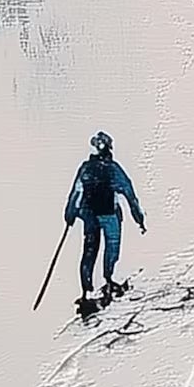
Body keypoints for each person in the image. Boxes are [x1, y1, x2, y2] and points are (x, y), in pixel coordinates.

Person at [65, 131, 146, 305]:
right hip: (109, 214)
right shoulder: (113, 169)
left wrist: (70, 214)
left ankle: (87, 290)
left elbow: (76, 192)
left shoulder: (85, 168)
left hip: (90, 216)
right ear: (109, 149)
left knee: (89, 251)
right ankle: (107, 280)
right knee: (111, 247)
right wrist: (139, 218)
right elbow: (129, 193)